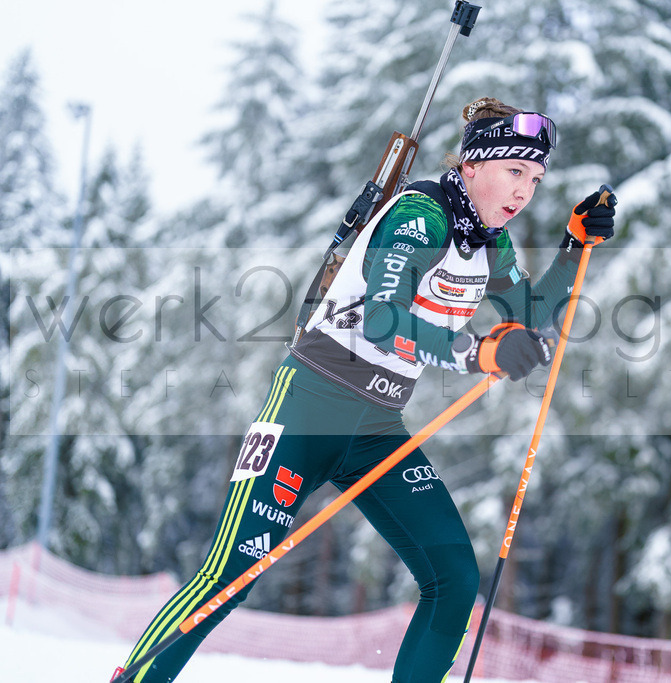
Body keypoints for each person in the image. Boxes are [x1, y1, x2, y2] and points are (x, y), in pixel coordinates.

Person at [113, 96, 615, 683]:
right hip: (308, 407)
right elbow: (381, 317)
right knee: (230, 576)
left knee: (453, 578)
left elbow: (528, 312)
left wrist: (574, 245)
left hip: (378, 427)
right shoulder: (418, 217)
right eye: (514, 171)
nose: (524, 190)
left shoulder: (489, 242)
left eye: (535, 177)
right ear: (473, 166)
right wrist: (476, 352)